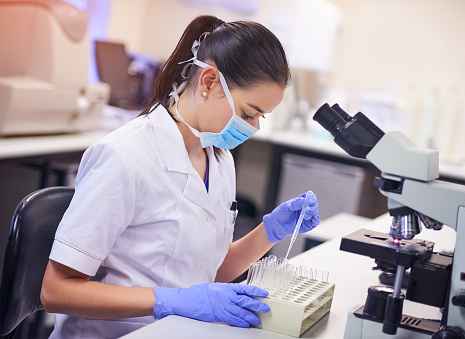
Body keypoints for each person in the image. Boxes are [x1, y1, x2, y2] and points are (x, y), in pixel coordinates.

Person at [41, 15, 320, 338]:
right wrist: (171, 300)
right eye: (248, 113)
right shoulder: (125, 156)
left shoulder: (218, 159)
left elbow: (206, 271)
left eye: (260, 117)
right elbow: (56, 292)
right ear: (209, 82)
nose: (254, 127)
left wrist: (269, 232)